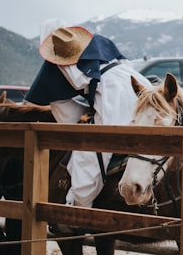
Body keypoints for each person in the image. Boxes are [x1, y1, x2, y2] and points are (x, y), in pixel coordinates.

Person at [25, 25, 151, 209]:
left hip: (112, 95)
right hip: (137, 83)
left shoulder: (61, 69)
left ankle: (78, 207)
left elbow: (69, 119)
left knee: (90, 153)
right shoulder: (101, 52)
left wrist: (88, 114)